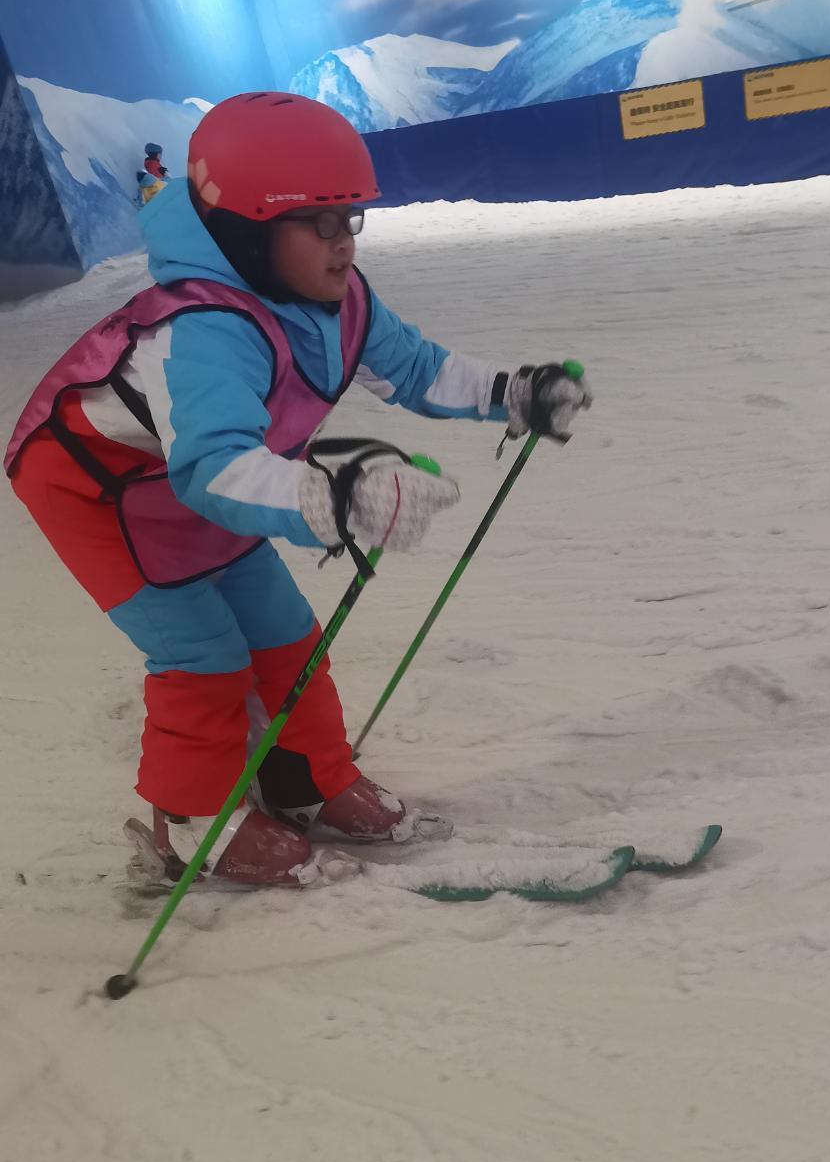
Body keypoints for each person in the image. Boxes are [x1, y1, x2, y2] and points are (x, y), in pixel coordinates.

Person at [6, 92, 592, 886]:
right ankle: (192, 822)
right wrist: (336, 498)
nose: (343, 241)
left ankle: (306, 783)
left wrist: (510, 391)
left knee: (286, 635)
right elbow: (213, 469)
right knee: (203, 654)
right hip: (100, 493)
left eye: (349, 218)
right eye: (317, 223)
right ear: (247, 233)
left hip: (215, 478)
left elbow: (416, 368)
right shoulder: (202, 331)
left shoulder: (338, 299)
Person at [137, 142, 169, 206]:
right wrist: (164, 174)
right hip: (155, 193)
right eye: (160, 153)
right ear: (156, 154)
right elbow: (157, 177)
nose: (161, 156)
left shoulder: (152, 163)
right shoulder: (153, 164)